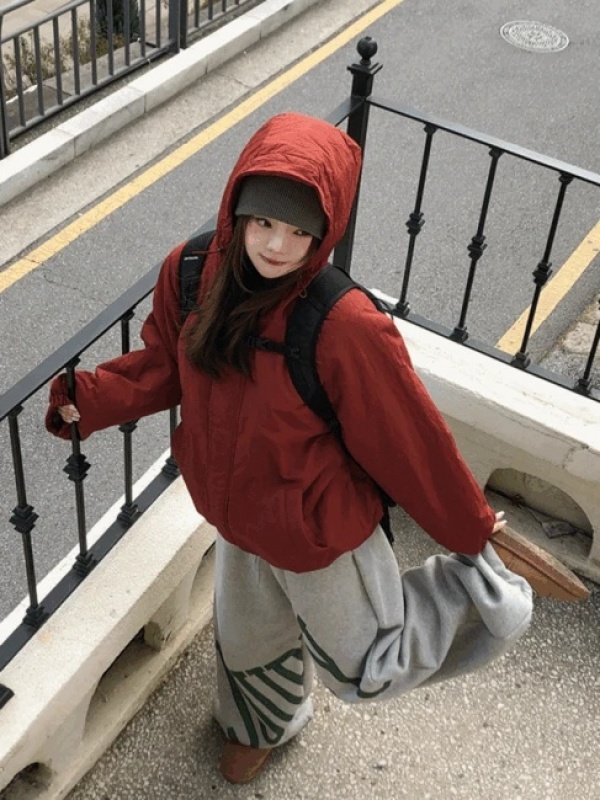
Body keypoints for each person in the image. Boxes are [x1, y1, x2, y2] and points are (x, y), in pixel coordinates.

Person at [46, 112, 587, 785]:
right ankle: (259, 727)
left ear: (324, 232)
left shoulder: (344, 323)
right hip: (238, 517)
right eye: (264, 222)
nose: (278, 246)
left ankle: (468, 597)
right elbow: (165, 365)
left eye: (301, 232)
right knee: (248, 645)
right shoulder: (191, 273)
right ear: (237, 209)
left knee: (366, 665)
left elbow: (409, 440)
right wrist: (90, 400)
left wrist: (470, 529)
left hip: (318, 531)